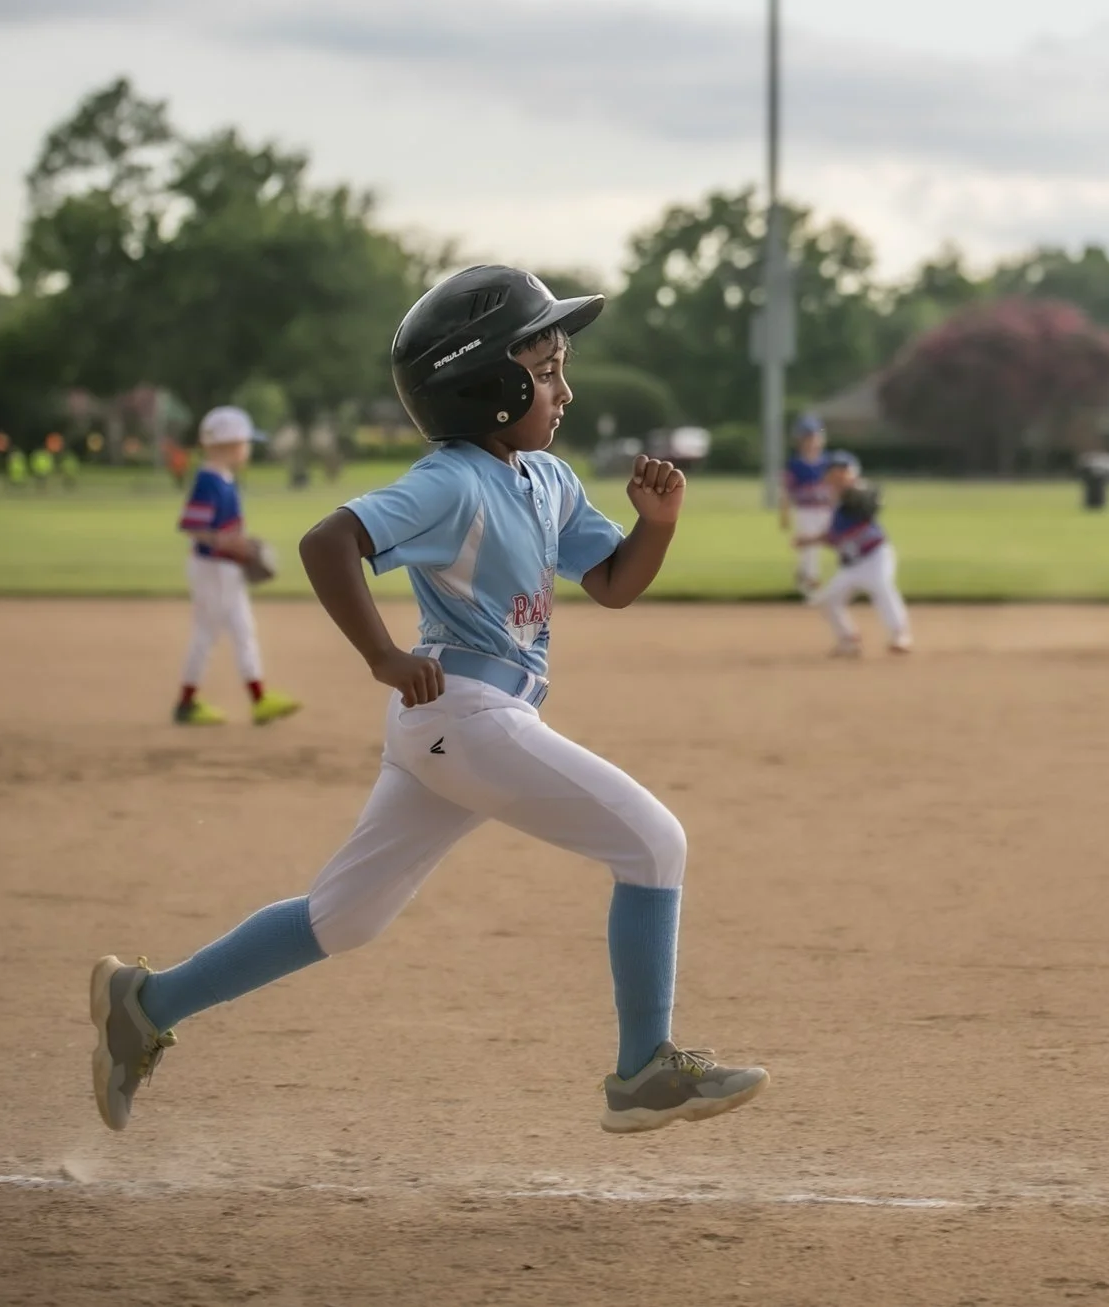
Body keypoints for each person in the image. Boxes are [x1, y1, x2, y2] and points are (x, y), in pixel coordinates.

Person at [88, 266, 765, 1139]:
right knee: (653, 842)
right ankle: (643, 1067)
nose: (565, 387)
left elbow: (612, 582)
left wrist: (658, 524)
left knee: (345, 918)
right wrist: (381, 653)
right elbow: (328, 540)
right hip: (465, 712)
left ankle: (146, 1003)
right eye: (548, 368)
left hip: (460, 726)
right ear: (490, 385)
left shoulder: (545, 480)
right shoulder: (450, 480)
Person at [174, 406, 302, 727]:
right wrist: (229, 543)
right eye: (245, 443)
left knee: (243, 631)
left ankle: (259, 699)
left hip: (225, 570)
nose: (248, 449)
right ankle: (188, 703)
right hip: (212, 569)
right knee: (208, 634)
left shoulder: (225, 479)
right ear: (228, 445)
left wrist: (240, 543)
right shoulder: (208, 481)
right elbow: (192, 527)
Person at [809, 450, 912, 658]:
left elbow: (871, 500)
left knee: (881, 587)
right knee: (827, 601)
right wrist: (807, 540)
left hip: (876, 555)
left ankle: (900, 635)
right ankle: (848, 640)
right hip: (852, 565)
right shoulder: (836, 506)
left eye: (842, 471)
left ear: (852, 474)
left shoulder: (859, 495)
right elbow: (833, 537)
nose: (838, 476)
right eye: (834, 472)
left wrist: (853, 486)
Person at [781, 413, 833, 595]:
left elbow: (835, 489)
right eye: (807, 437)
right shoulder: (795, 464)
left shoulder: (828, 462)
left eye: (815, 437)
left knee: (822, 544)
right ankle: (811, 582)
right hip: (805, 510)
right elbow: (786, 491)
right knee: (810, 547)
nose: (811, 441)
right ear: (800, 440)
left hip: (826, 510)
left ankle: (804, 576)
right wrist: (785, 514)